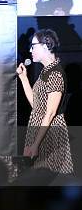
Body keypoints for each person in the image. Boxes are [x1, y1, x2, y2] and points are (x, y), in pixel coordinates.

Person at [16, 29, 73, 174]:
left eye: (33, 45)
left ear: (46, 45)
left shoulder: (54, 73)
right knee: (37, 178)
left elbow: (50, 113)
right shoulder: (46, 71)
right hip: (40, 129)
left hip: (49, 132)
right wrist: (23, 78)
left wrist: (36, 144)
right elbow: (36, 106)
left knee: (48, 177)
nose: (30, 49)